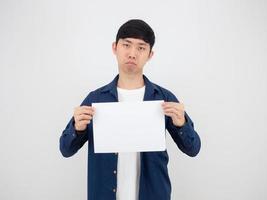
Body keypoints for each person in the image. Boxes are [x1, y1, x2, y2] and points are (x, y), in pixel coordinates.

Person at [59, 19, 201, 200]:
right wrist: (77, 128)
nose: (132, 53)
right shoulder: (96, 99)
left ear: (150, 54)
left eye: (141, 47)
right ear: (114, 47)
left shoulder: (163, 98)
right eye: (126, 45)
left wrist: (182, 124)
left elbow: (193, 149)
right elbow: (65, 149)